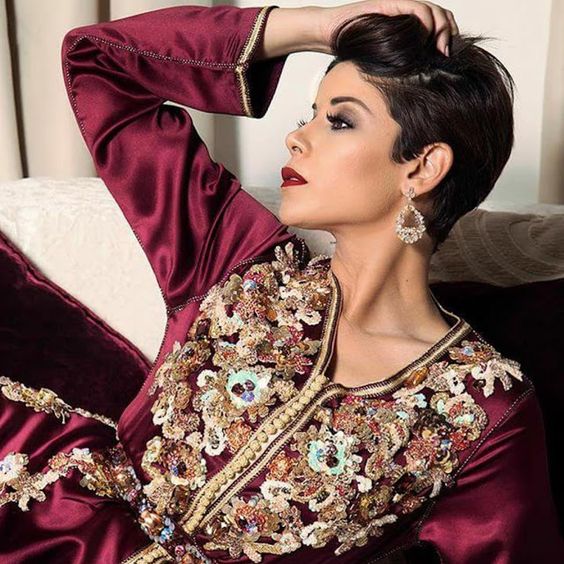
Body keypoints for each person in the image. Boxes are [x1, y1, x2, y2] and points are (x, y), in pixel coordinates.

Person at [0, 1, 562, 562]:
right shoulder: (239, 258)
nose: (296, 138)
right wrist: (318, 27)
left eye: (339, 121)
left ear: (422, 167)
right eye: (308, 115)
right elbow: (98, 63)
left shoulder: (481, 410)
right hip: (48, 531)